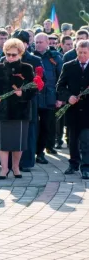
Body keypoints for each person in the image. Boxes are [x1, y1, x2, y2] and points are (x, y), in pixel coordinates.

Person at [0, 38, 36, 179]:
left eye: (14, 55)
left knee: (18, 142)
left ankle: (15, 167)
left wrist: (23, 94)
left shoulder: (27, 68)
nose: (10, 57)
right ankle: (4, 168)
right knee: (2, 142)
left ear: (20, 54)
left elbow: (33, 89)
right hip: (1, 111)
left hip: (20, 111)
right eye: (8, 54)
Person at [57, 40, 89, 179]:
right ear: (76, 51)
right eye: (80, 52)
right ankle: (73, 163)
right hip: (73, 109)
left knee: (86, 140)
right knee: (73, 139)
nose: (82, 55)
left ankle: (86, 166)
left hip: (88, 110)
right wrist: (68, 96)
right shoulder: (69, 66)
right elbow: (60, 87)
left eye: (85, 53)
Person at [33, 33, 63, 163]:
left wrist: (60, 98)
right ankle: (31, 152)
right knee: (33, 126)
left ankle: (40, 153)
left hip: (49, 98)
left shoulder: (55, 57)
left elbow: (61, 79)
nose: (38, 44)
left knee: (46, 126)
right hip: (33, 98)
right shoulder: (30, 57)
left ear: (47, 43)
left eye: (41, 42)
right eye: (36, 42)